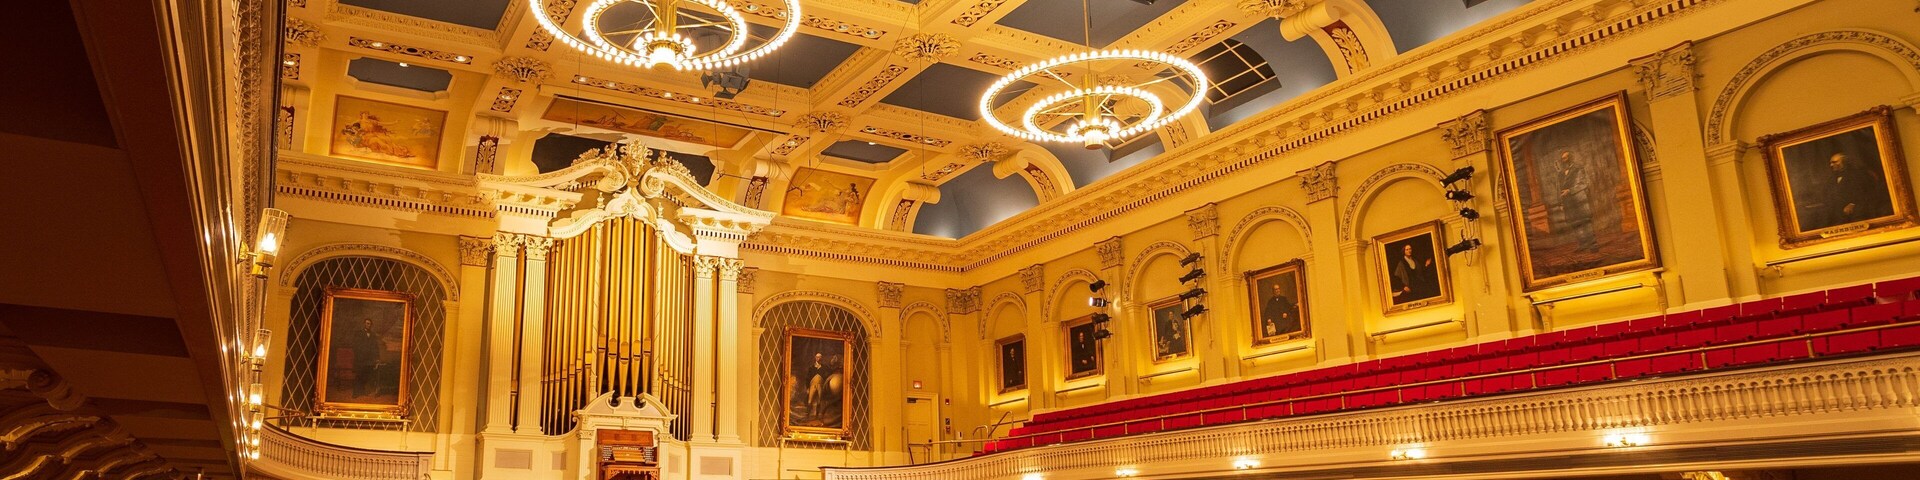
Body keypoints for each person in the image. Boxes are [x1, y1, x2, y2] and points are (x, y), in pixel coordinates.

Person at [1809, 152, 1893, 228]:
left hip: (1859, 209)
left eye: (1835, 162)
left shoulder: (1858, 174)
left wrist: (1853, 204)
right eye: (1831, 163)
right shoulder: (1831, 179)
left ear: (1845, 162)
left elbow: (1867, 192)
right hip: (1836, 211)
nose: (1831, 165)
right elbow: (1826, 194)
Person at [1548, 151, 1597, 251]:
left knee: (1585, 221)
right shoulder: (1560, 174)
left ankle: (1593, 245)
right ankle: (1583, 244)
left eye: (1566, 157)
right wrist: (1560, 203)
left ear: (1571, 158)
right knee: (1574, 223)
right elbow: (1559, 189)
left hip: (1579, 199)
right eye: (1563, 158)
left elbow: (1584, 184)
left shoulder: (1578, 168)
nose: (1564, 160)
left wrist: (1570, 191)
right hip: (1568, 202)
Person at [347, 318, 385, 398]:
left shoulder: (372, 335)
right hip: (360, 359)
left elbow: (375, 347)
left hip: (369, 359)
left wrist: (377, 357)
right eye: (367, 323)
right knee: (359, 375)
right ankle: (355, 393)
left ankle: (362, 391)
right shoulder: (358, 333)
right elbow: (355, 345)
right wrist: (359, 354)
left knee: (366, 375)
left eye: (370, 324)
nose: (368, 325)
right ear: (364, 324)